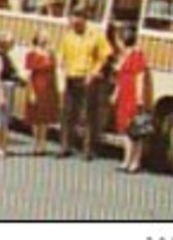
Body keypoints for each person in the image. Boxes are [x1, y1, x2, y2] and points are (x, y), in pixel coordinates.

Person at [56, 9, 111, 159]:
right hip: (71, 76)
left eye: (77, 21)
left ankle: (87, 149)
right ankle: (65, 145)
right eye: (73, 21)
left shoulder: (96, 35)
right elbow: (62, 55)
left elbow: (105, 56)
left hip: (88, 78)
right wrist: (62, 67)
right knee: (68, 113)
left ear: (85, 20)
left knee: (88, 115)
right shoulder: (68, 36)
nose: (74, 24)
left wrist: (94, 72)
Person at [110, 23, 154, 173]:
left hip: (132, 95)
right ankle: (130, 160)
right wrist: (115, 94)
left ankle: (132, 161)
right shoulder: (124, 56)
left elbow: (140, 77)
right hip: (124, 93)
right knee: (127, 129)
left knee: (133, 130)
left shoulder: (137, 56)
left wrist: (140, 98)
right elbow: (119, 78)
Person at [0, 31, 23, 158]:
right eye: (10, 41)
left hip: (8, 88)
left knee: (4, 119)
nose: (12, 44)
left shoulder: (5, 56)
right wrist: (1, 95)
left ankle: (2, 145)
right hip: (1, 88)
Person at [23, 32, 56, 155]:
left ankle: (43, 143)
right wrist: (31, 91)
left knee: (44, 118)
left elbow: (54, 69)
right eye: (42, 37)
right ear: (37, 39)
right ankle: (35, 143)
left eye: (46, 37)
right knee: (35, 117)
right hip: (37, 86)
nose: (45, 39)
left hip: (48, 88)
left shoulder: (50, 53)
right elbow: (29, 74)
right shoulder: (31, 54)